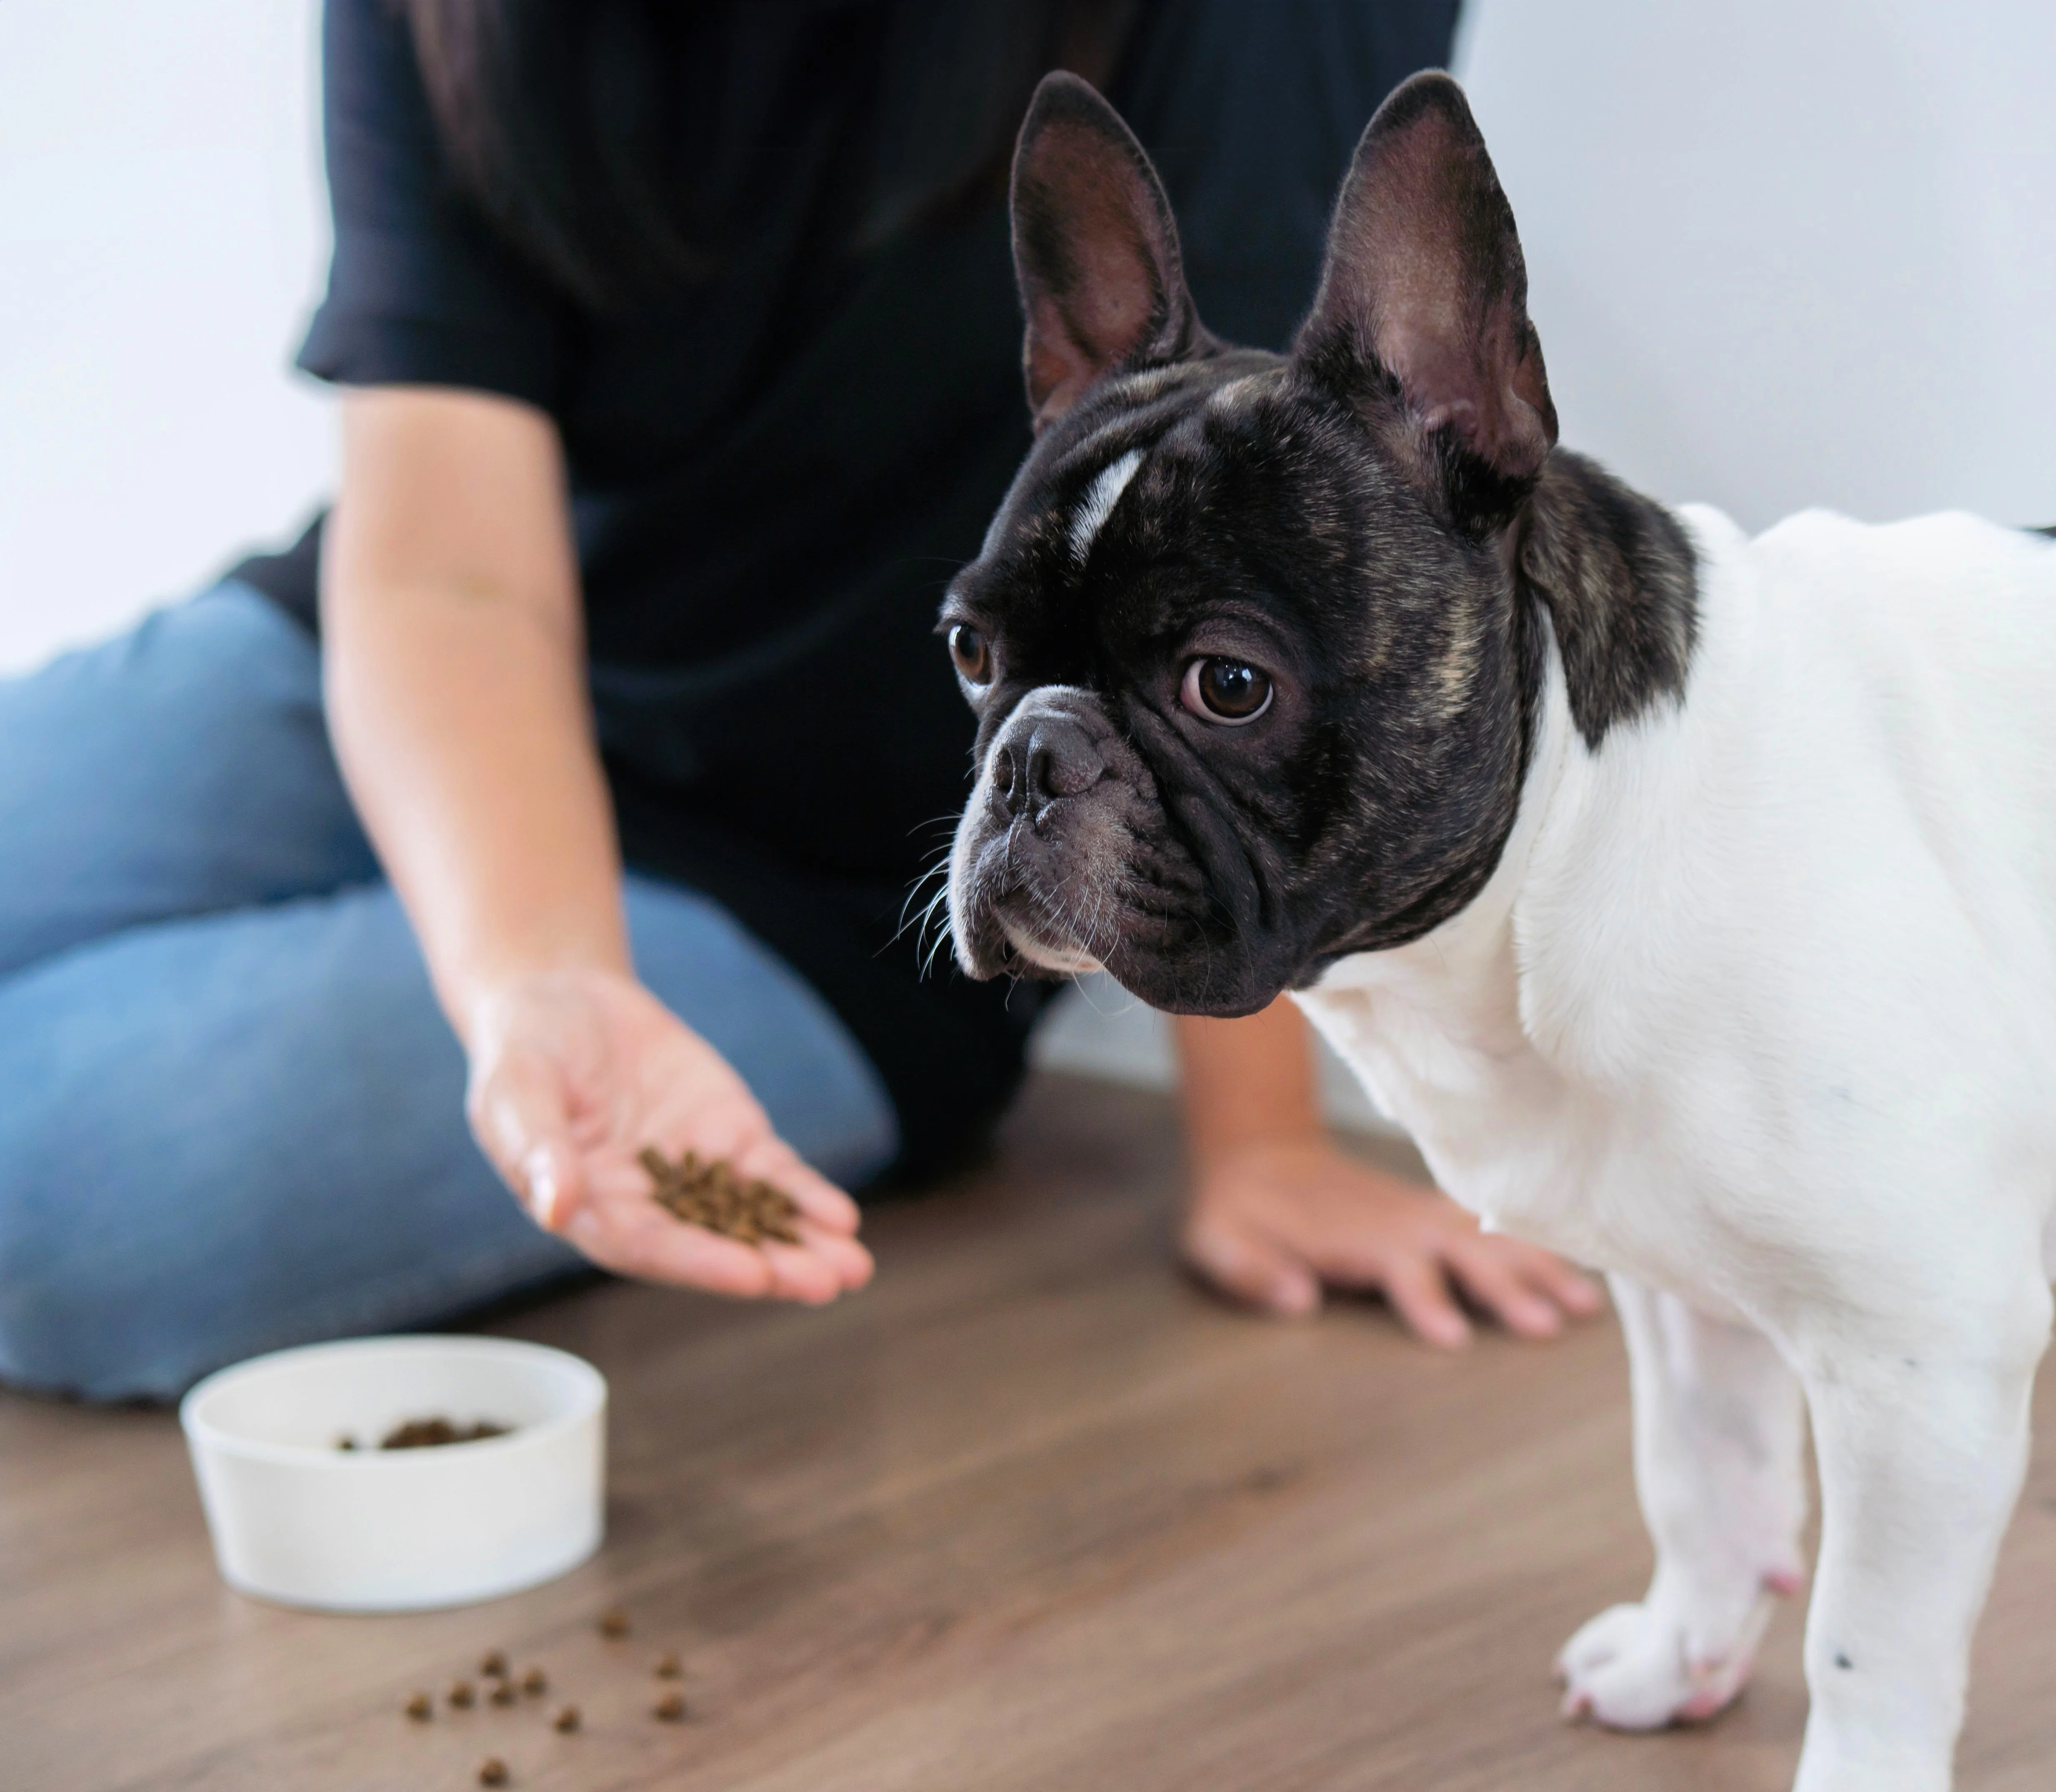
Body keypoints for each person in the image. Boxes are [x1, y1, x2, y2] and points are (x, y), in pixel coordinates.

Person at [0, 0, 1598, 1404]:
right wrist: (529, 972)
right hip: (419, 659)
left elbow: (1271, 542)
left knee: (56, 1189)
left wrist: (1264, 1142)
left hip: (820, 873)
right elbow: (447, 571)